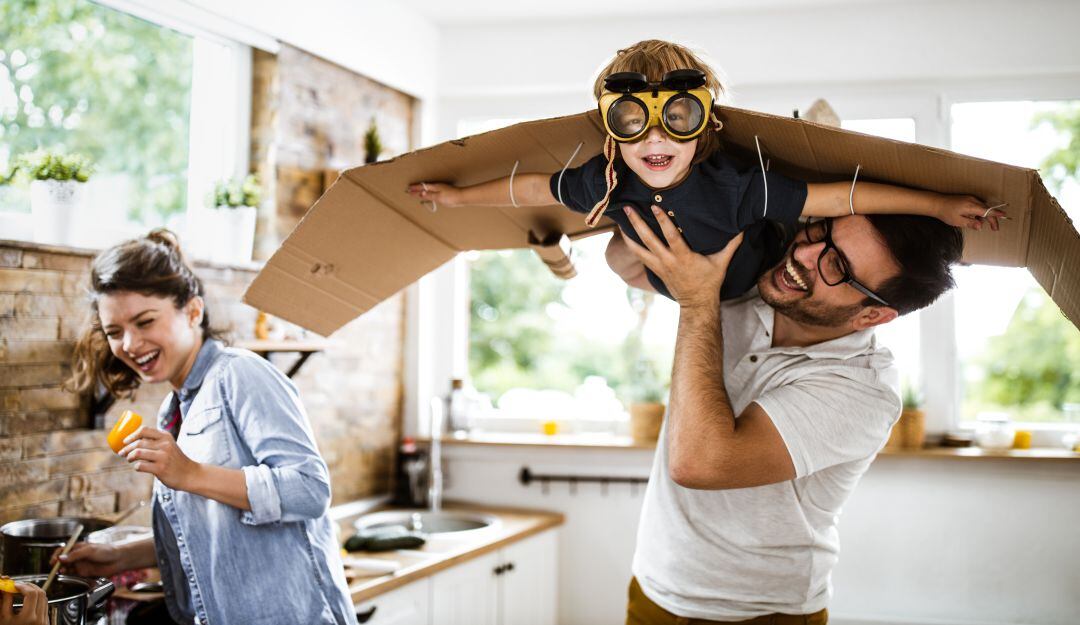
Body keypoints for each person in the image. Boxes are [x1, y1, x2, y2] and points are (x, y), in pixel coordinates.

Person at [407, 39, 1002, 301]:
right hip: (662, 282)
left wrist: (937, 205)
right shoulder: (610, 177)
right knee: (616, 255)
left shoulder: (739, 186)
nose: (656, 138)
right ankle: (568, 259)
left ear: (707, 125)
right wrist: (457, 198)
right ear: (614, 126)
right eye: (636, 119)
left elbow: (842, 198)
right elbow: (534, 184)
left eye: (680, 115)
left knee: (790, 218)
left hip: (744, 284)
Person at [611, 204, 967, 623]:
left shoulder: (863, 391)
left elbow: (699, 462)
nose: (804, 256)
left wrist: (696, 301)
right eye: (821, 233)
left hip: (765, 612)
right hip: (655, 589)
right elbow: (624, 264)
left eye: (836, 265)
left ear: (873, 314)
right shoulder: (751, 280)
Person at [61, 230, 355, 625]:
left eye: (145, 321)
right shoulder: (175, 410)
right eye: (115, 332)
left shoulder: (240, 374)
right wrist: (118, 558)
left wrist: (192, 474)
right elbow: (209, 531)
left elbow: (310, 489)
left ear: (193, 311)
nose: (130, 343)